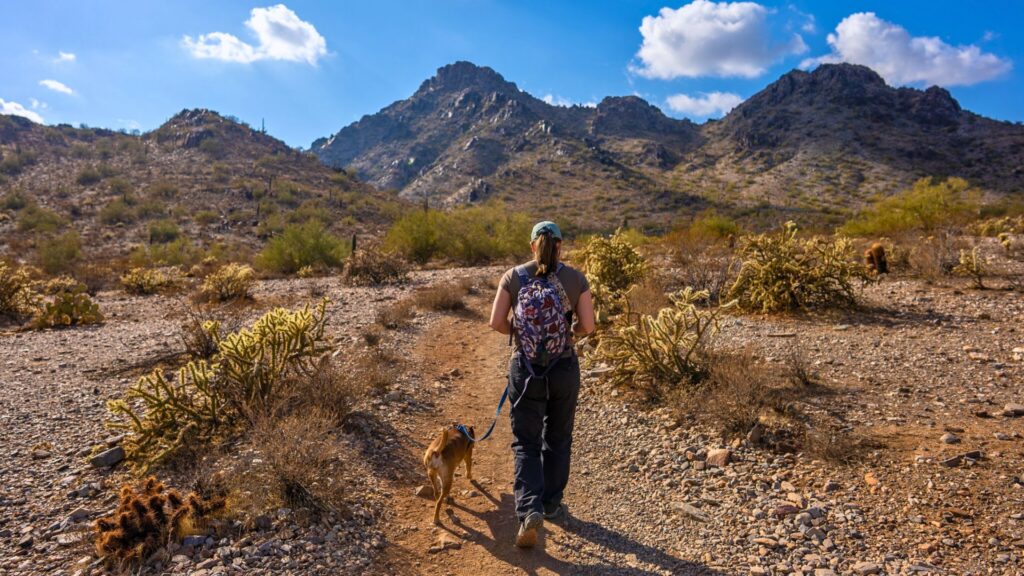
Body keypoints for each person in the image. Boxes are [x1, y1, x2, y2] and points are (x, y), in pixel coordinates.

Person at [488, 220, 595, 548]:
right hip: (564, 368)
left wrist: (523, 337)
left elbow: (495, 322)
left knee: (526, 441)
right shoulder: (576, 278)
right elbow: (588, 326)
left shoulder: (514, 276)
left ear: (533, 245)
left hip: (526, 369)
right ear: (560, 245)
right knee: (559, 437)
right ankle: (551, 504)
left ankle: (529, 508)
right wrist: (566, 335)